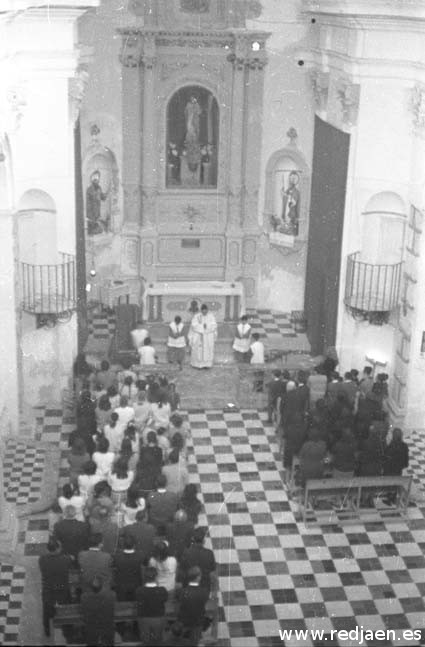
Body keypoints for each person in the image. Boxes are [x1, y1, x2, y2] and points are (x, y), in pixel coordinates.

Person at [38, 538, 73, 637]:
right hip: (62, 589)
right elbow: (71, 559)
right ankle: (68, 628)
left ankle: (47, 629)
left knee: (46, 610)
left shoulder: (42, 559)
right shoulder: (66, 559)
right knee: (67, 608)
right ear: (57, 549)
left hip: (48, 590)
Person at [136, 566, 168, 645]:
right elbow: (164, 600)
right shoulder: (162, 590)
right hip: (159, 618)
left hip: (144, 619)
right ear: (156, 577)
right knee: (158, 641)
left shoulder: (139, 590)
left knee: (146, 641)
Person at [177, 566, 210, 644]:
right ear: (198, 577)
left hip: (184, 621)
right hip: (198, 621)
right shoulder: (204, 592)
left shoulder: (182, 591)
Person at [180, 527, 216, 595]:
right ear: (204, 540)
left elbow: (182, 571)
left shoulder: (186, 552)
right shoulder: (209, 553)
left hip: (189, 588)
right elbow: (212, 574)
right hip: (204, 588)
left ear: (193, 539)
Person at [81, 577, 116, 646]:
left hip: (91, 628)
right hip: (107, 627)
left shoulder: (84, 597)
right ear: (102, 586)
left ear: (90, 587)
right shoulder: (112, 595)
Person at [113, 534, 144, 601]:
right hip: (136, 587)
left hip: (121, 588)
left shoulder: (117, 557)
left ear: (123, 545)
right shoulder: (140, 556)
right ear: (134, 545)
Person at [188, 304, 217, 369]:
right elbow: (193, 325)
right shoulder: (196, 316)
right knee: (198, 351)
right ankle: (197, 365)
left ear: (207, 310)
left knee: (207, 350)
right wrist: (201, 327)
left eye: (205, 311)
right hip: (199, 336)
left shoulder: (211, 316)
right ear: (201, 310)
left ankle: (207, 365)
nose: (204, 312)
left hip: (208, 336)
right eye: (203, 311)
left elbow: (214, 325)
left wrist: (207, 327)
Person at [86, 170, 109, 234]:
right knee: (93, 229)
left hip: (97, 211)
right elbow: (88, 203)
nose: (97, 181)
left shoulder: (99, 188)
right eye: (95, 180)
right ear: (92, 180)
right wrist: (90, 215)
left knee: (99, 229)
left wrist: (107, 192)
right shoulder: (89, 189)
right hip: (91, 213)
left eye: (98, 180)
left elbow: (103, 198)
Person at [281, 170, 300, 235]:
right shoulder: (288, 190)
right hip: (286, 215)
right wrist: (284, 194)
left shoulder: (296, 192)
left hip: (292, 216)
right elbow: (284, 201)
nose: (292, 180)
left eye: (294, 178)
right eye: (291, 178)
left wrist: (286, 196)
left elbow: (294, 204)